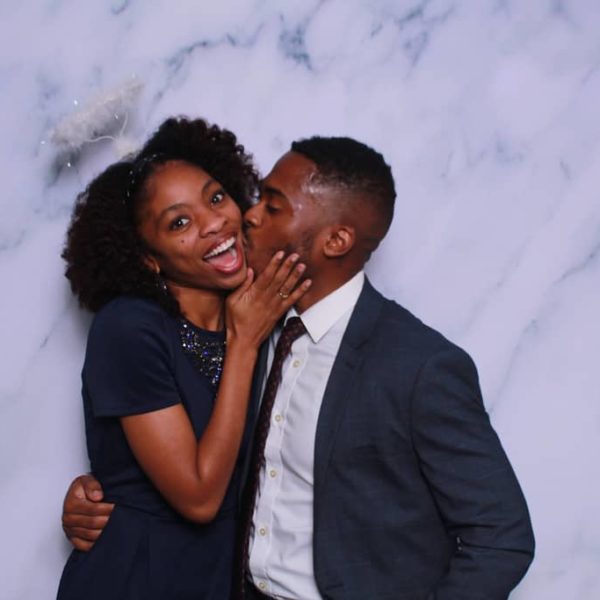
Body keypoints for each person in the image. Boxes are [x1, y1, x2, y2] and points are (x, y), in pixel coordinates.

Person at [62, 135, 535, 599]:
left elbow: (500, 537)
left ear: (337, 239)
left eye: (270, 206)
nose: (245, 215)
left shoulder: (417, 365)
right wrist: (107, 493)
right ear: (148, 256)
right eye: (180, 221)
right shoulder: (252, 325)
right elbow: (187, 474)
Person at [55, 116, 310, 600]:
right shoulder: (129, 328)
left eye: (216, 198)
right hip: (136, 578)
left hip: (222, 580)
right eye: (179, 223)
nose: (214, 223)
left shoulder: (262, 305)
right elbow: (198, 497)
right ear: (148, 257)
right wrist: (243, 344)